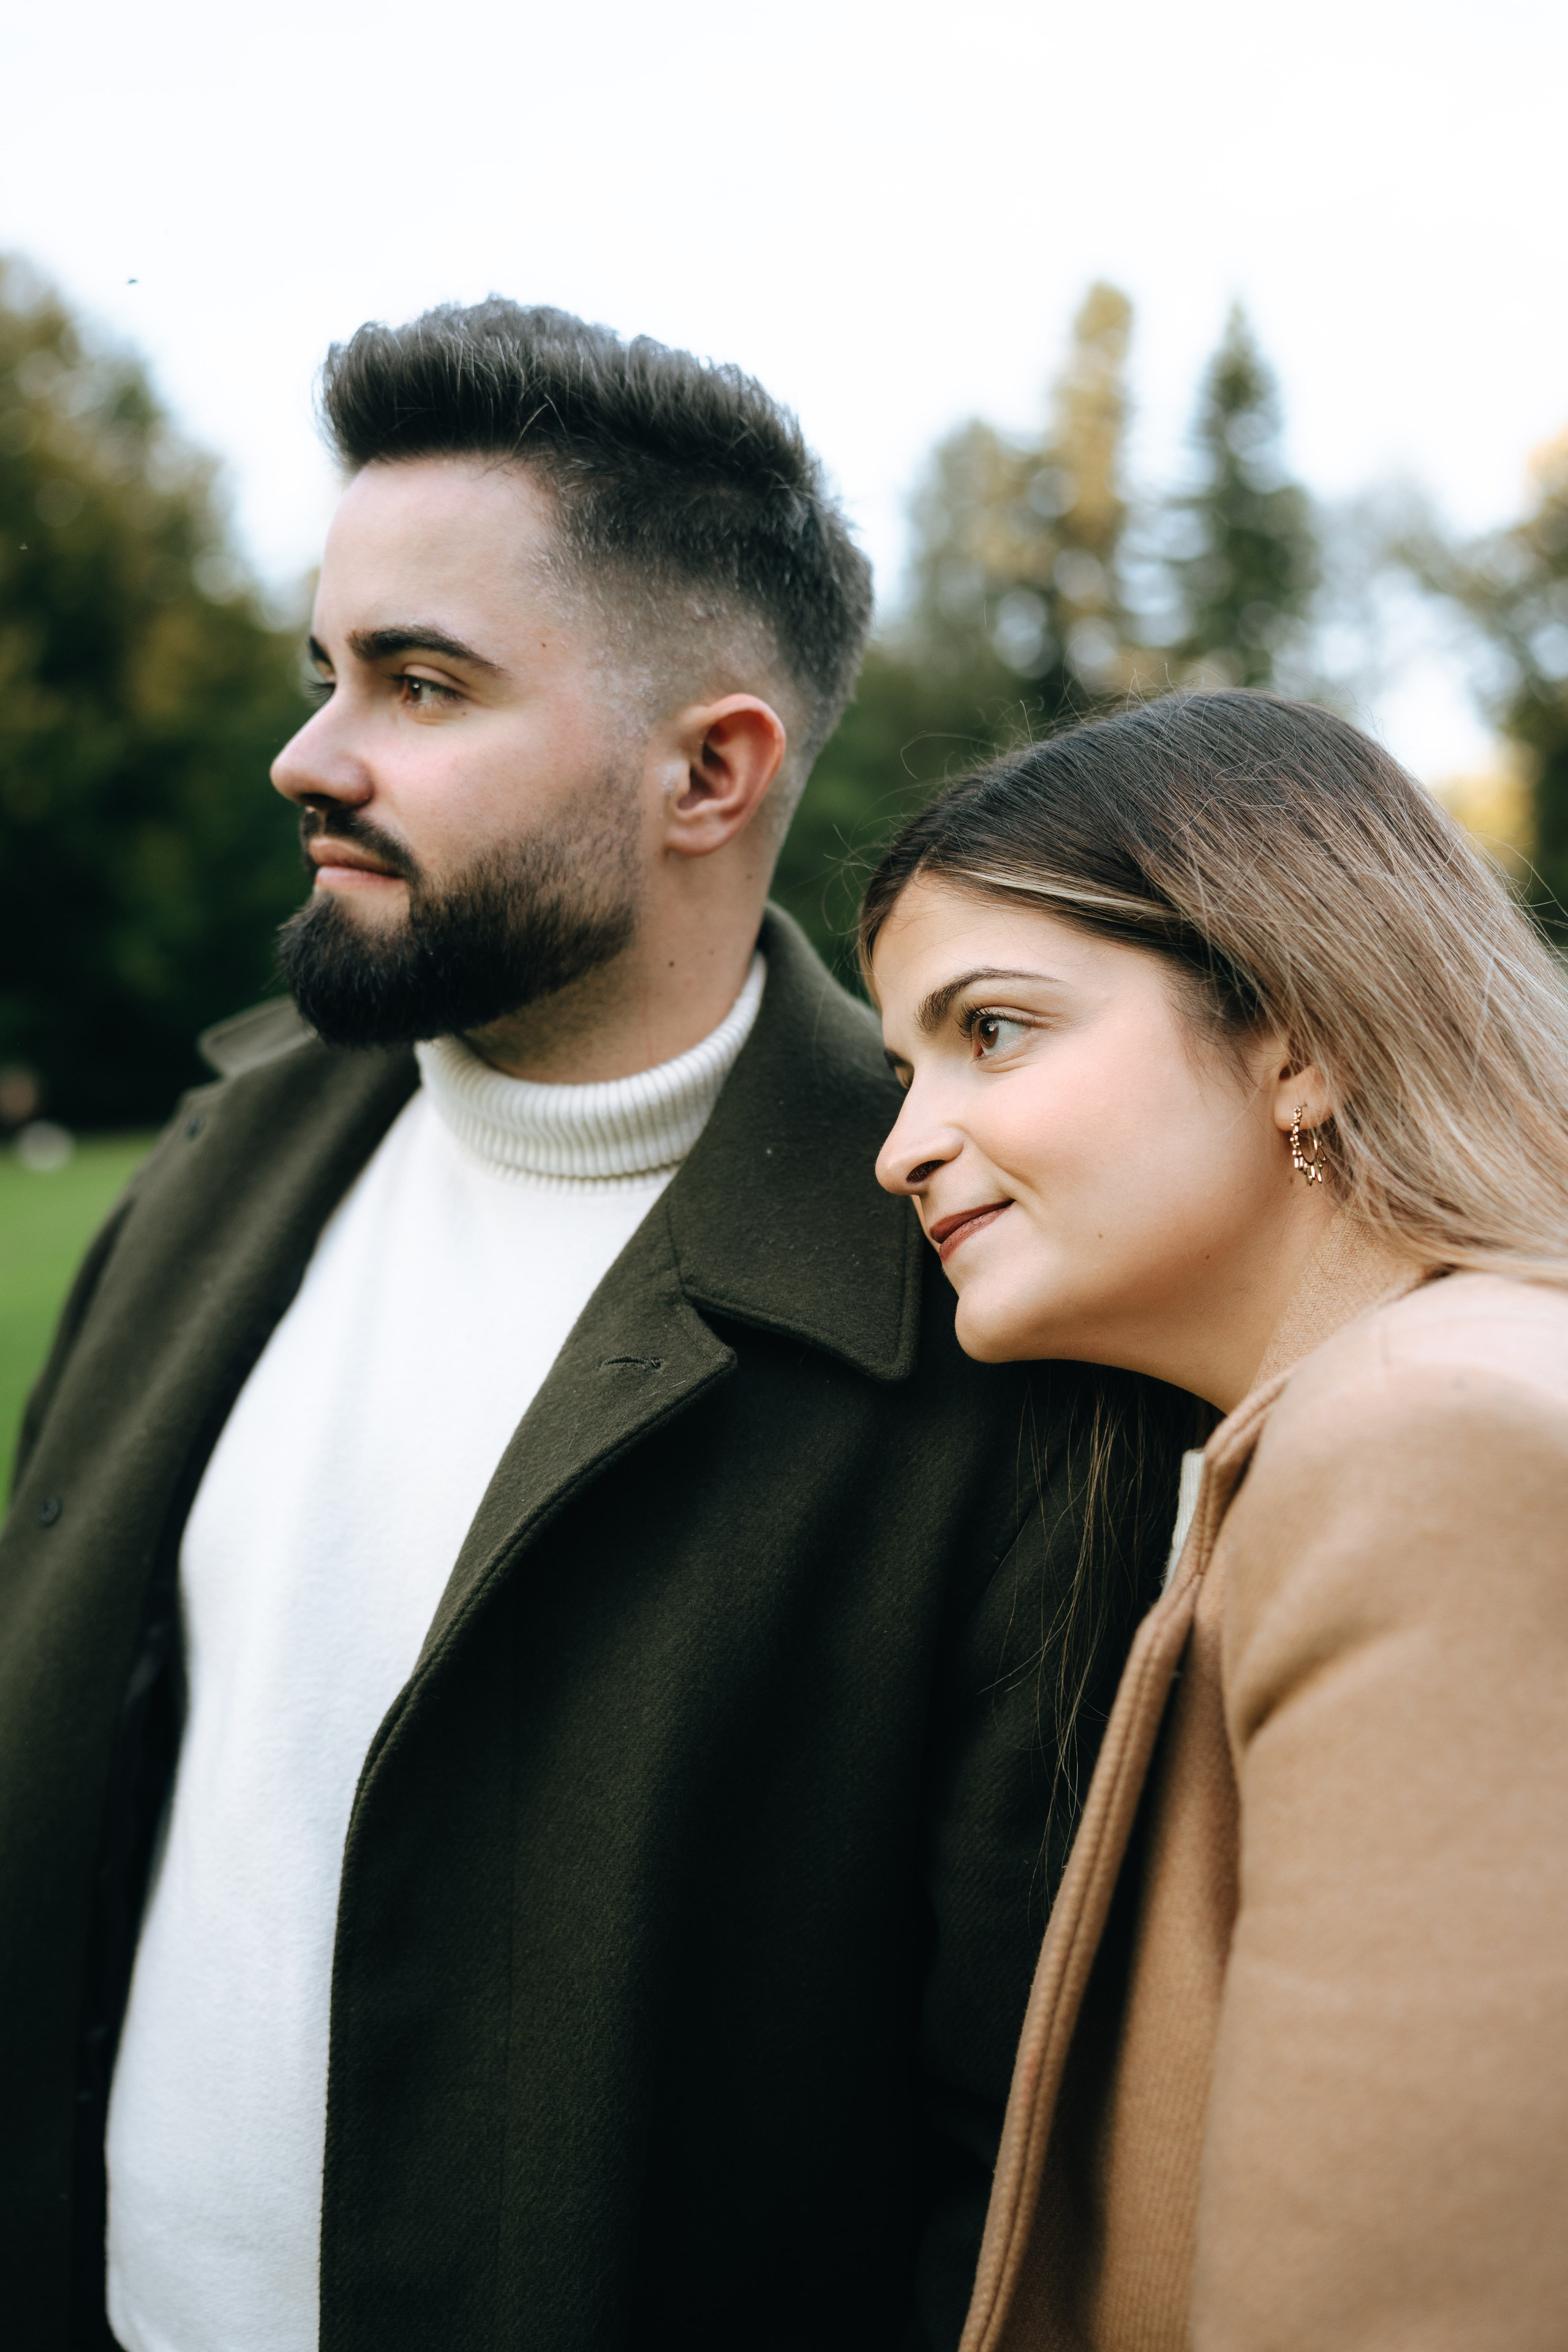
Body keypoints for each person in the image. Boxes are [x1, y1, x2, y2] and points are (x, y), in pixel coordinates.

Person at [0, 303, 1190, 2352]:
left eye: (420, 681)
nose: (309, 752)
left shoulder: (989, 1323)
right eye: (324, 672)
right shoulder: (218, 1161)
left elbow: (1015, 2169)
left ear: (710, 773)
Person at [865, 690, 1568, 2351]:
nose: (902, 1146)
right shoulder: (1410, 1402)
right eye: (903, 1063)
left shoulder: (1431, 1447)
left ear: (1300, 1039)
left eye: (994, 1030)